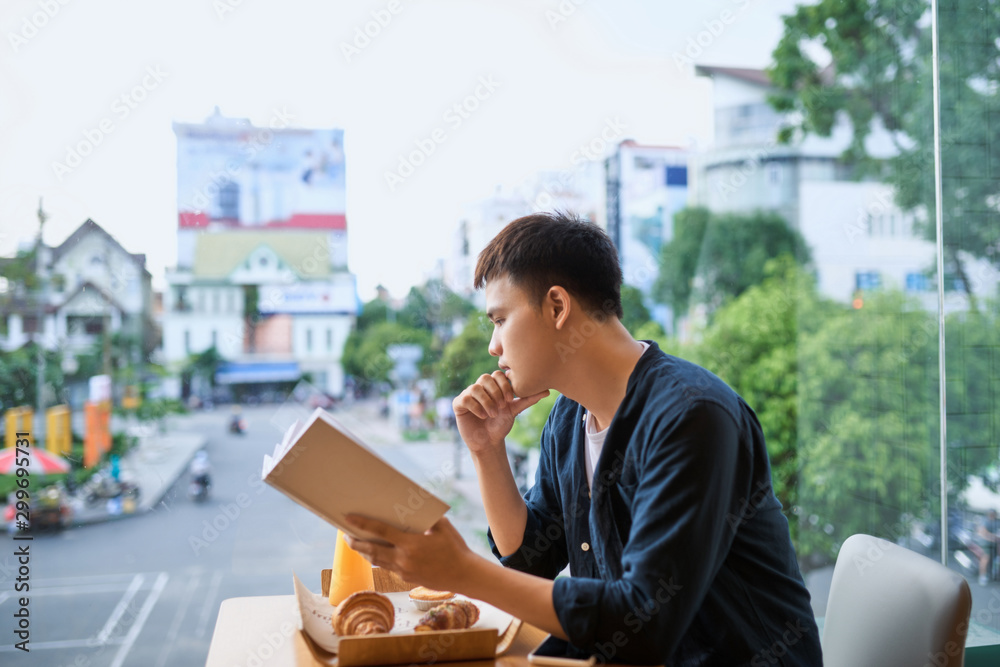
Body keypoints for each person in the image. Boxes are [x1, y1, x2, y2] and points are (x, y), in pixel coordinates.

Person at [345, 212, 823, 665]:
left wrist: (463, 571)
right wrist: (487, 450)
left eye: (499, 320)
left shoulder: (692, 417)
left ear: (557, 306)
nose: (493, 347)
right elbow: (531, 558)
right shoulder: (569, 417)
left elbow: (644, 621)